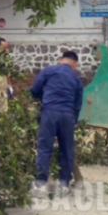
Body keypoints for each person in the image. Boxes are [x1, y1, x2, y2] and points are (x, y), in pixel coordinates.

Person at [30, 51, 83, 198]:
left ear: (60, 60)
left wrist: (43, 98)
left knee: (44, 147)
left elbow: (34, 89)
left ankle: (40, 184)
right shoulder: (76, 79)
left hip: (49, 113)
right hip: (67, 115)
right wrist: (74, 120)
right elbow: (78, 105)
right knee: (66, 149)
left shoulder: (48, 71)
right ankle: (64, 185)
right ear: (74, 64)